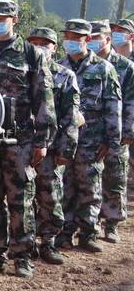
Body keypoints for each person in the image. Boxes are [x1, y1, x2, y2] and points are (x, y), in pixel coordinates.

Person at [0, 0, 55, 279]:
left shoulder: (31, 55)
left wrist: (42, 140)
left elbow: (43, 100)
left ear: (14, 20)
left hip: (19, 140)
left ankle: (22, 256)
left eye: (1, 17)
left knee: (20, 199)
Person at [56, 19, 119, 253]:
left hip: (92, 140)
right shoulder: (59, 67)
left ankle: (88, 232)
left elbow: (113, 106)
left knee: (90, 187)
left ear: (88, 40)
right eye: (68, 37)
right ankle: (64, 232)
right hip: (64, 139)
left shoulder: (103, 69)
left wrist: (110, 140)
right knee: (65, 187)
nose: (71, 41)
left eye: (76, 37)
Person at [26, 27, 80, 265]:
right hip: (22, 147)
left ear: (54, 48)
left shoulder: (65, 75)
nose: (39, 47)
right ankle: (25, 244)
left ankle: (48, 242)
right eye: (34, 43)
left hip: (50, 148)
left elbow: (71, 116)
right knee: (23, 199)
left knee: (50, 196)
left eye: (44, 44)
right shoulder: (21, 72)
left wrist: (66, 150)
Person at [87, 20, 131, 244]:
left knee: (114, 178)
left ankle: (111, 223)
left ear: (107, 39)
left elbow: (131, 102)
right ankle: (89, 223)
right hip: (90, 134)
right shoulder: (85, 64)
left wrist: (127, 131)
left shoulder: (125, 66)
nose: (92, 41)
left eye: (97, 37)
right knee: (90, 180)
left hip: (116, 131)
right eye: (90, 37)